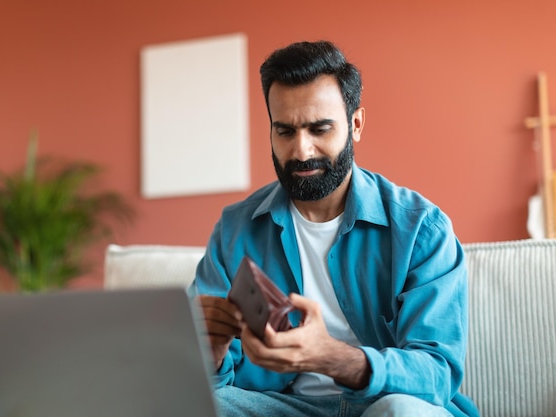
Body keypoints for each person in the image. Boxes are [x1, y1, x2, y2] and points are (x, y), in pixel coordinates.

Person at [191, 40, 479, 417]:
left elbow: (437, 375)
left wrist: (334, 358)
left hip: (383, 405)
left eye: (319, 129)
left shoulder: (421, 228)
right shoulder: (235, 229)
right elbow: (205, 385)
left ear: (355, 124)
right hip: (281, 407)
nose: (302, 150)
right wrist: (209, 358)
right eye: (285, 132)